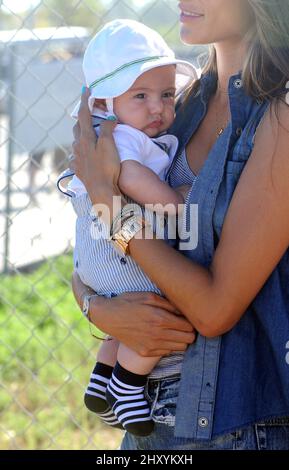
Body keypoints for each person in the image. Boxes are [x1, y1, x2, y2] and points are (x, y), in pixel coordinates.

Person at [70, 0, 289, 450]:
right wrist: (99, 307)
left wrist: (109, 205)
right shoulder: (179, 105)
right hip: (150, 420)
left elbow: (213, 311)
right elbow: (93, 257)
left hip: (237, 429)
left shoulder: (280, 114)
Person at [58, 19, 197, 437]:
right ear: (104, 102)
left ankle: (103, 374)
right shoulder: (122, 138)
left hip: (97, 262)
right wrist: (179, 205)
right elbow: (133, 178)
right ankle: (127, 383)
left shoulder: (110, 132)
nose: (158, 108)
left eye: (167, 95)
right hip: (120, 250)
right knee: (158, 297)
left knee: (126, 300)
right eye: (141, 96)